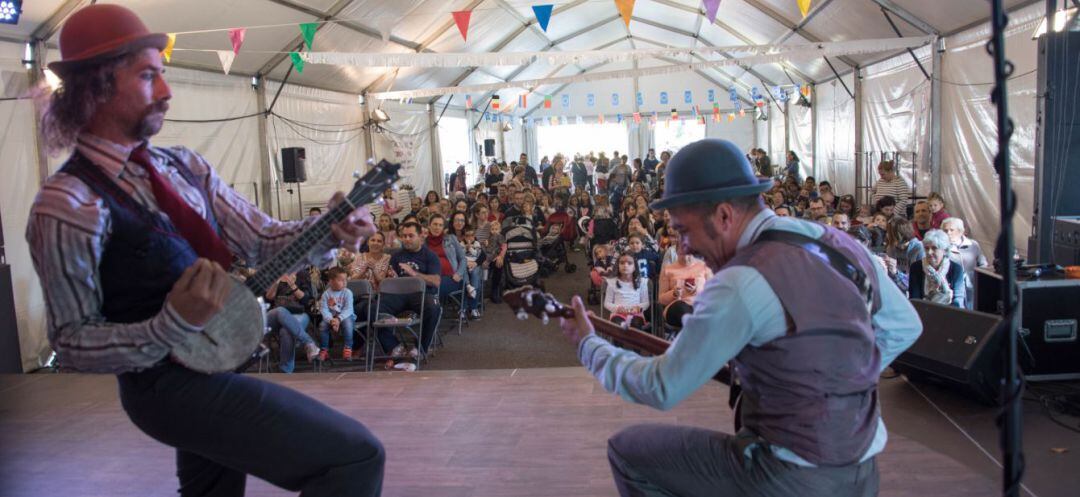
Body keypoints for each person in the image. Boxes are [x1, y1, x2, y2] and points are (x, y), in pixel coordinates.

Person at [27, 5, 384, 495]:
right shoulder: (67, 204)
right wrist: (170, 325)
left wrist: (331, 229)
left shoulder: (184, 166)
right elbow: (71, 341)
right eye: (149, 76)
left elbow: (263, 240)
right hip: (165, 390)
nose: (168, 92)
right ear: (98, 85)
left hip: (216, 362)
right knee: (354, 458)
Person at [558, 138, 920, 497]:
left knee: (629, 452)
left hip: (788, 477)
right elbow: (905, 325)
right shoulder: (837, 243)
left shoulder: (739, 282)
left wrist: (590, 346)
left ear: (724, 216)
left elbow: (662, 387)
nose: (682, 246)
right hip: (863, 469)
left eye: (684, 230)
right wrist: (838, 385)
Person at [380, 221, 442, 364]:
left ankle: (420, 348)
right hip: (399, 295)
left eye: (410, 236)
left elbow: (436, 281)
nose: (406, 239)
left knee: (433, 308)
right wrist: (390, 277)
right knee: (375, 308)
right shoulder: (396, 256)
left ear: (420, 237)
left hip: (421, 295)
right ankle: (394, 347)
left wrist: (413, 273)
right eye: (404, 236)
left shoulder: (430, 256)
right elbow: (391, 280)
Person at [909, 229, 966, 307]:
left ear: (944, 250)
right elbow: (915, 299)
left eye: (934, 248)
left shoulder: (956, 269)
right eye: (926, 248)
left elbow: (958, 300)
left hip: (950, 312)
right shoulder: (916, 267)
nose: (929, 252)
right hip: (923, 312)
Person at [941, 217, 988, 309]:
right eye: (945, 230)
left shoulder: (973, 244)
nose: (948, 233)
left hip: (971, 287)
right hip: (951, 289)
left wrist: (977, 279)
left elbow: (983, 263)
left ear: (960, 231)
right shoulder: (942, 247)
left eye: (951, 230)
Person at [317, 268, 357, 360]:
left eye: (345, 280)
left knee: (347, 324)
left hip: (346, 316)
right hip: (331, 318)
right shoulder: (326, 294)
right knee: (322, 325)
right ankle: (324, 350)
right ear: (331, 281)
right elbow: (324, 310)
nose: (344, 282)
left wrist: (338, 319)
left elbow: (349, 309)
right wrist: (331, 320)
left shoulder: (347, 293)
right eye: (340, 280)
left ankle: (348, 348)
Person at [603, 253, 650, 329]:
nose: (625, 265)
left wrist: (638, 308)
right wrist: (617, 308)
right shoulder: (612, 282)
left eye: (629, 263)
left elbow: (646, 303)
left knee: (636, 324)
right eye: (622, 263)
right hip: (618, 314)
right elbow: (607, 303)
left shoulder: (642, 282)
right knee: (619, 326)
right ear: (618, 266)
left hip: (636, 314)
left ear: (635, 267)